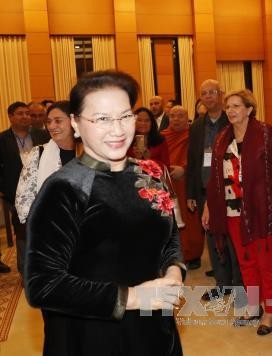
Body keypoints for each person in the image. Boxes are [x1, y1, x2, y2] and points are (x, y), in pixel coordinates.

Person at [24, 70, 186, 356]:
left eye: (125, 116)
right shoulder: (65, 188)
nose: (118, 129)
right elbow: (42, 285)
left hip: (153, 325)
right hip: (91, 335)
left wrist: (173, 270)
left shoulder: (148, 173)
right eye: (102, 119)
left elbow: (169, 235)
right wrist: (134, 297)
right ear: (76, 123)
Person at [203, 89, 272, 336]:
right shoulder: (222, 138)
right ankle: (254, 304)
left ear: (249, 109)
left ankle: (270, 311)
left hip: (260, 211)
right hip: (231, 210)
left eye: (237, 105)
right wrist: (208, 205)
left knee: (266, 262)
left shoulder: (266, 134)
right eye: (229, 107)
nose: (231, 110)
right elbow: (216, 178)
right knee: (245, 262)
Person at [186, 79, 242, 299]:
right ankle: (222, 283)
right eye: (204, 93)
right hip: (203, 190)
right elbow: (192, 159)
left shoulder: (232, 121)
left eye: (212, 92)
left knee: (231, 237)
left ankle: (239, 285)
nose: (208, 96)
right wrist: (191, 192)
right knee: (212, 237)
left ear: (221, 94)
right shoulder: (197, 125)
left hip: (229, 189)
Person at [14, 100, 77, 275]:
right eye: (48, 121)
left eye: (58, 121)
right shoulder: (38, 154)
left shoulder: (90, 152)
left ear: (73, 121)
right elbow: (24, 200)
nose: (52, 126)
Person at [0, 102, 49, 274]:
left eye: (27, 113)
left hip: (43, 190)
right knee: (22, 233)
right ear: (10, 116)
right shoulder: (2, 139)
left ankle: (47, 266)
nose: (25, 117)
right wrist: (5, 190)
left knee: (45, 230)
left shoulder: (43, 135)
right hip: (17, 194)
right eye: (20, 113)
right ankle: (26, 271)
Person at [161, 105, 205, 270]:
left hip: (188, 183)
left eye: (180, 116)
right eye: (173, 116)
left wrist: (184, 170)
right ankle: (174, 255)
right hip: (168, 183)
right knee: (171, 220)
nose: (176, 119)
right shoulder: (162, 136)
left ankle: (193, 254)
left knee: (190, 219)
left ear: (187, 118)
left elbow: (198, 158)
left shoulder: (193, 135)